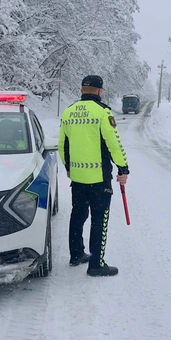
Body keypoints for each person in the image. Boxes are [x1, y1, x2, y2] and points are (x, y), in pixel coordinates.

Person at [58, 75, 129, 277]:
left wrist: (68, 168)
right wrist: (123, 168)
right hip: (99, 179)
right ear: (100, 91)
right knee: (99, 220)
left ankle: (76, 254)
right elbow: (113, 143)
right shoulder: (103, 112)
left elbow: (63, 145)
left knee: (78, 215)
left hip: (78, 178)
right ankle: (96, 264)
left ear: (81, 90)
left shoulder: (69, 112)